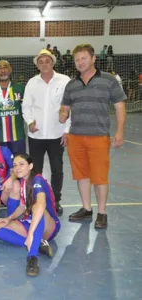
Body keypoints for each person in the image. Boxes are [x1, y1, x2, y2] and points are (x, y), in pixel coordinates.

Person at [60, 44, 126, 229]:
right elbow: (65, 107)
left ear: (93, 58)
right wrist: (62, 114)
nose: (80, 62)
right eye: (77, 60)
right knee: (81, 175)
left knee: (99, 177)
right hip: (76, 138)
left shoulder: (109, 80)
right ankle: (86, 208)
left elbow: (120, 106)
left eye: (83, 58)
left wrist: (120, 131)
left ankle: (102, 213)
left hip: (98, 137)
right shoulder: (71, 84)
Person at [0, 154, 61, 277]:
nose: (17, 168)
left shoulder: (38, 180)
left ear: (30, 166)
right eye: (15, 165)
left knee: (37, 207)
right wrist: (9, 218)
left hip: (49, 225)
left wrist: (31, 233)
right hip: (30, 221)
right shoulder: (23, 181)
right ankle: (37, 244)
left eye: (21, 164)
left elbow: (41, 205)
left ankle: (32, 257)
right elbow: (22, 206)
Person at [22, 49, 71, 216]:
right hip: (36, 135)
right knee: (36, 170)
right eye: (40, 62)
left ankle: (55, 200)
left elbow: (70, 106)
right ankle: (36, 199)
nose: (44, 64)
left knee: (57, 169)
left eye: (47, 61)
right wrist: (29, 122)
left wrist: (67, 130)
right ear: (37, 65)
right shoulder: (31, 83)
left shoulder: (64, 81)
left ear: (53, 62)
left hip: (57, 135)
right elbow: (26, 107)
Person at [0, 60, 26, 154]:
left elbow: (27, 109)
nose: (2, 70)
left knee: (19, 165)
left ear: (10, 70)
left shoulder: (20, 88)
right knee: (1, 167)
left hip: (18, 136)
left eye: (5, 67)